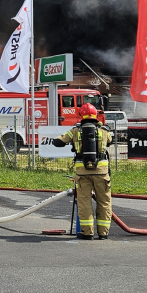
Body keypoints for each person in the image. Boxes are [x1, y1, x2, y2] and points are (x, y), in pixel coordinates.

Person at [52, 103, 113, 240]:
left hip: (83, 173)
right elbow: (110, 141)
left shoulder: (75, 131)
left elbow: (58, 142)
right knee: (104, 202)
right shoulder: (103, 130)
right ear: (96, 115)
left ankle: (87, 232)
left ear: (81, 115)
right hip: (102, 173)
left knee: (84, 202)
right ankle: (103, 233)